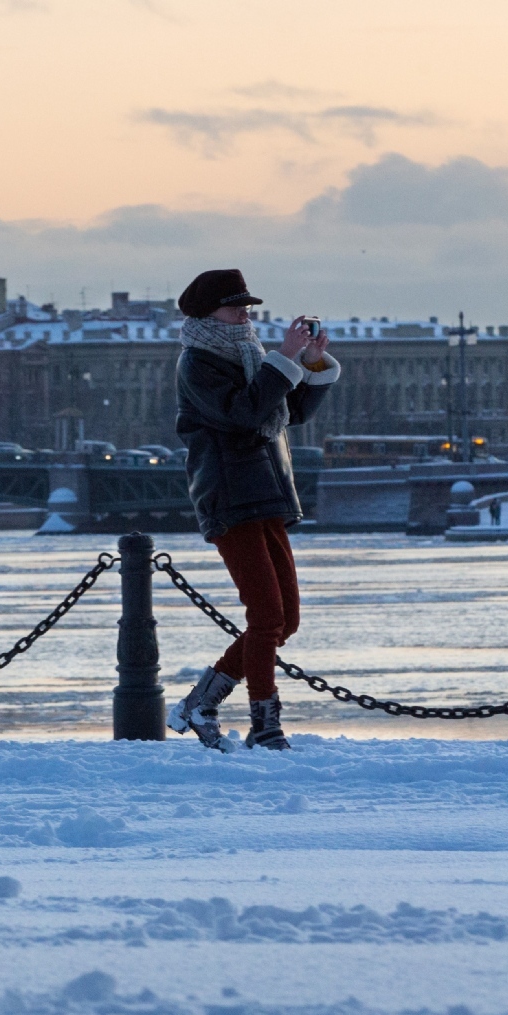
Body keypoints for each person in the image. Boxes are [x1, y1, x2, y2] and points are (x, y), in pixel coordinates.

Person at [170, 269, 339, 752]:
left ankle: (200, 702)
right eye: (235, 306)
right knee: (265, 617)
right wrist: (283, 360)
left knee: (285, 620)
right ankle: (266, 725)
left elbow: (291, 412)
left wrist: (311, 364)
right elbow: (244, 413)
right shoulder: (196, 363)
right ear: (208, 313)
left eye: (247, 305)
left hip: (266, 495)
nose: (246, 313)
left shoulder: (249, 356)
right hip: (230, 500)